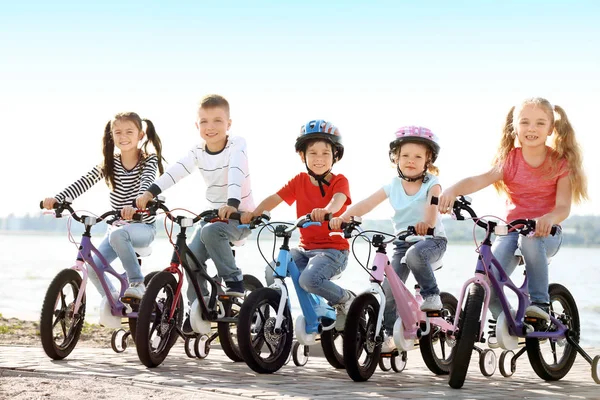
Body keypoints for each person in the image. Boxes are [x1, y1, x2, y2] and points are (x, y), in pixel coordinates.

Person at [437, 97, 588, 345]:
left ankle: (540, 303)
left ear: (551, 129)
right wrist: (452, 191)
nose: (532, 128)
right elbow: (479, 179)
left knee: (530, 241)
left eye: (540, 123)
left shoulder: (560, 164)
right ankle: (505, 321)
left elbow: (563, 207)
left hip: (546, 232)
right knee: (489, 278)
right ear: (515, 127)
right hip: (510, 231)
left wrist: (547, 218)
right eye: (525, 122)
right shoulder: (510, 160)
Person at [330, 125, 447, 352]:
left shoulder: (433, 184)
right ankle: (387, 333)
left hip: (432, 240)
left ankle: (432, 295)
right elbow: (367, 203)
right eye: (405, 155)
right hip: (403, 243)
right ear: (396, 158)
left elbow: (432, 209)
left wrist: (427, 225)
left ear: (428, 160)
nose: (410, 160)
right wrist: (344, 217)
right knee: (388, 290)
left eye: (417, 156)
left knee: (415, 255)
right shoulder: (393, 185)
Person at [136, 94, 254, 308]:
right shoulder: (198, 151)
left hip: (240, 216)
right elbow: (176, 171)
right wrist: (150, 193)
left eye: (218, 120)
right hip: (212, 217)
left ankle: (234, 279)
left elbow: (236, 170)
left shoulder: (237, 144)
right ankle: (199, 306)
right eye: (204, 121)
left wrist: (232, 204)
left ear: (229, 124)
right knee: (189, 258)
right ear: (196, 125)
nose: (211, 127)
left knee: (210, 232)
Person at [242, 120, 353, 330]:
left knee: (309, 280)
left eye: (325, 153)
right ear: (303, 156)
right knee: (272, 270)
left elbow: (338, 200)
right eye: (313, 153)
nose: (319, 159)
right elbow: (275, 198)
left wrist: (327, 211)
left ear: (335, 156)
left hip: (333, 251)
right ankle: (284, 317)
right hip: (305, 249)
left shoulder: (340, 180)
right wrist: (254, 214)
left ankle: (345, 299)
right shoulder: (299, 180)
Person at [42, 112, 165, 300]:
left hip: (143, 227)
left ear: (140, 135)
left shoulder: (148, 161)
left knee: (117, 234)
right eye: (118, 132)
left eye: (129, 132)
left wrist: (136, 204)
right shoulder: (110, 163)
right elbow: (84, 182)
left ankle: (137, 283)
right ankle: (113, 300)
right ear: (112, 136)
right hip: (116, 228)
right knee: (92, 266)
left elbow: (146, 184)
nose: (123, 137)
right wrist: (58, 199)